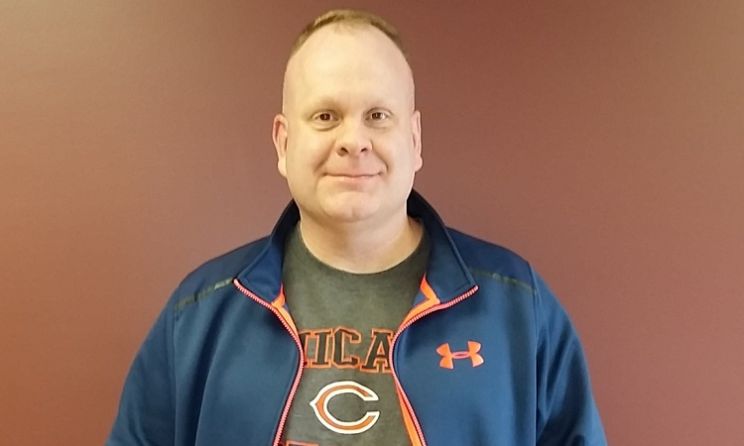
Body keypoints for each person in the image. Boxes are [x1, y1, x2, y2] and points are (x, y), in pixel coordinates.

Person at [108, 9, 607, 446]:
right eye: (326, 116)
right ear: (283, 142)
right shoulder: (200, 314)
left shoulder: (517, 307)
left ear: (414, 140)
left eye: (377, 115)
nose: (354, 140)